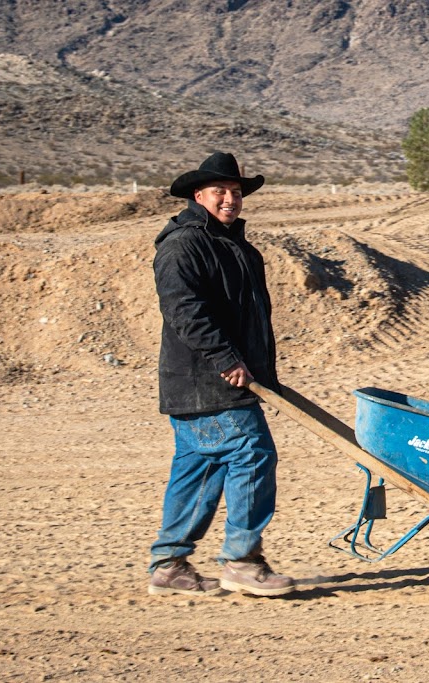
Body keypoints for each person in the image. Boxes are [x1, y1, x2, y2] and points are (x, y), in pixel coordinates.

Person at [147, 151, 294, 597]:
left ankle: (170, 565)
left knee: (200, 470)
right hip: (209, 380)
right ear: (199, 195)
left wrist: (262, 371)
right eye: (220, 192)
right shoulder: (184, 245)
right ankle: (242, 560)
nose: (230, 199)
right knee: (252, 453)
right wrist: (227, 359)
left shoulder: (235, 245)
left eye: (235, 192)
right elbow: (184, 311)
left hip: (221, 381)